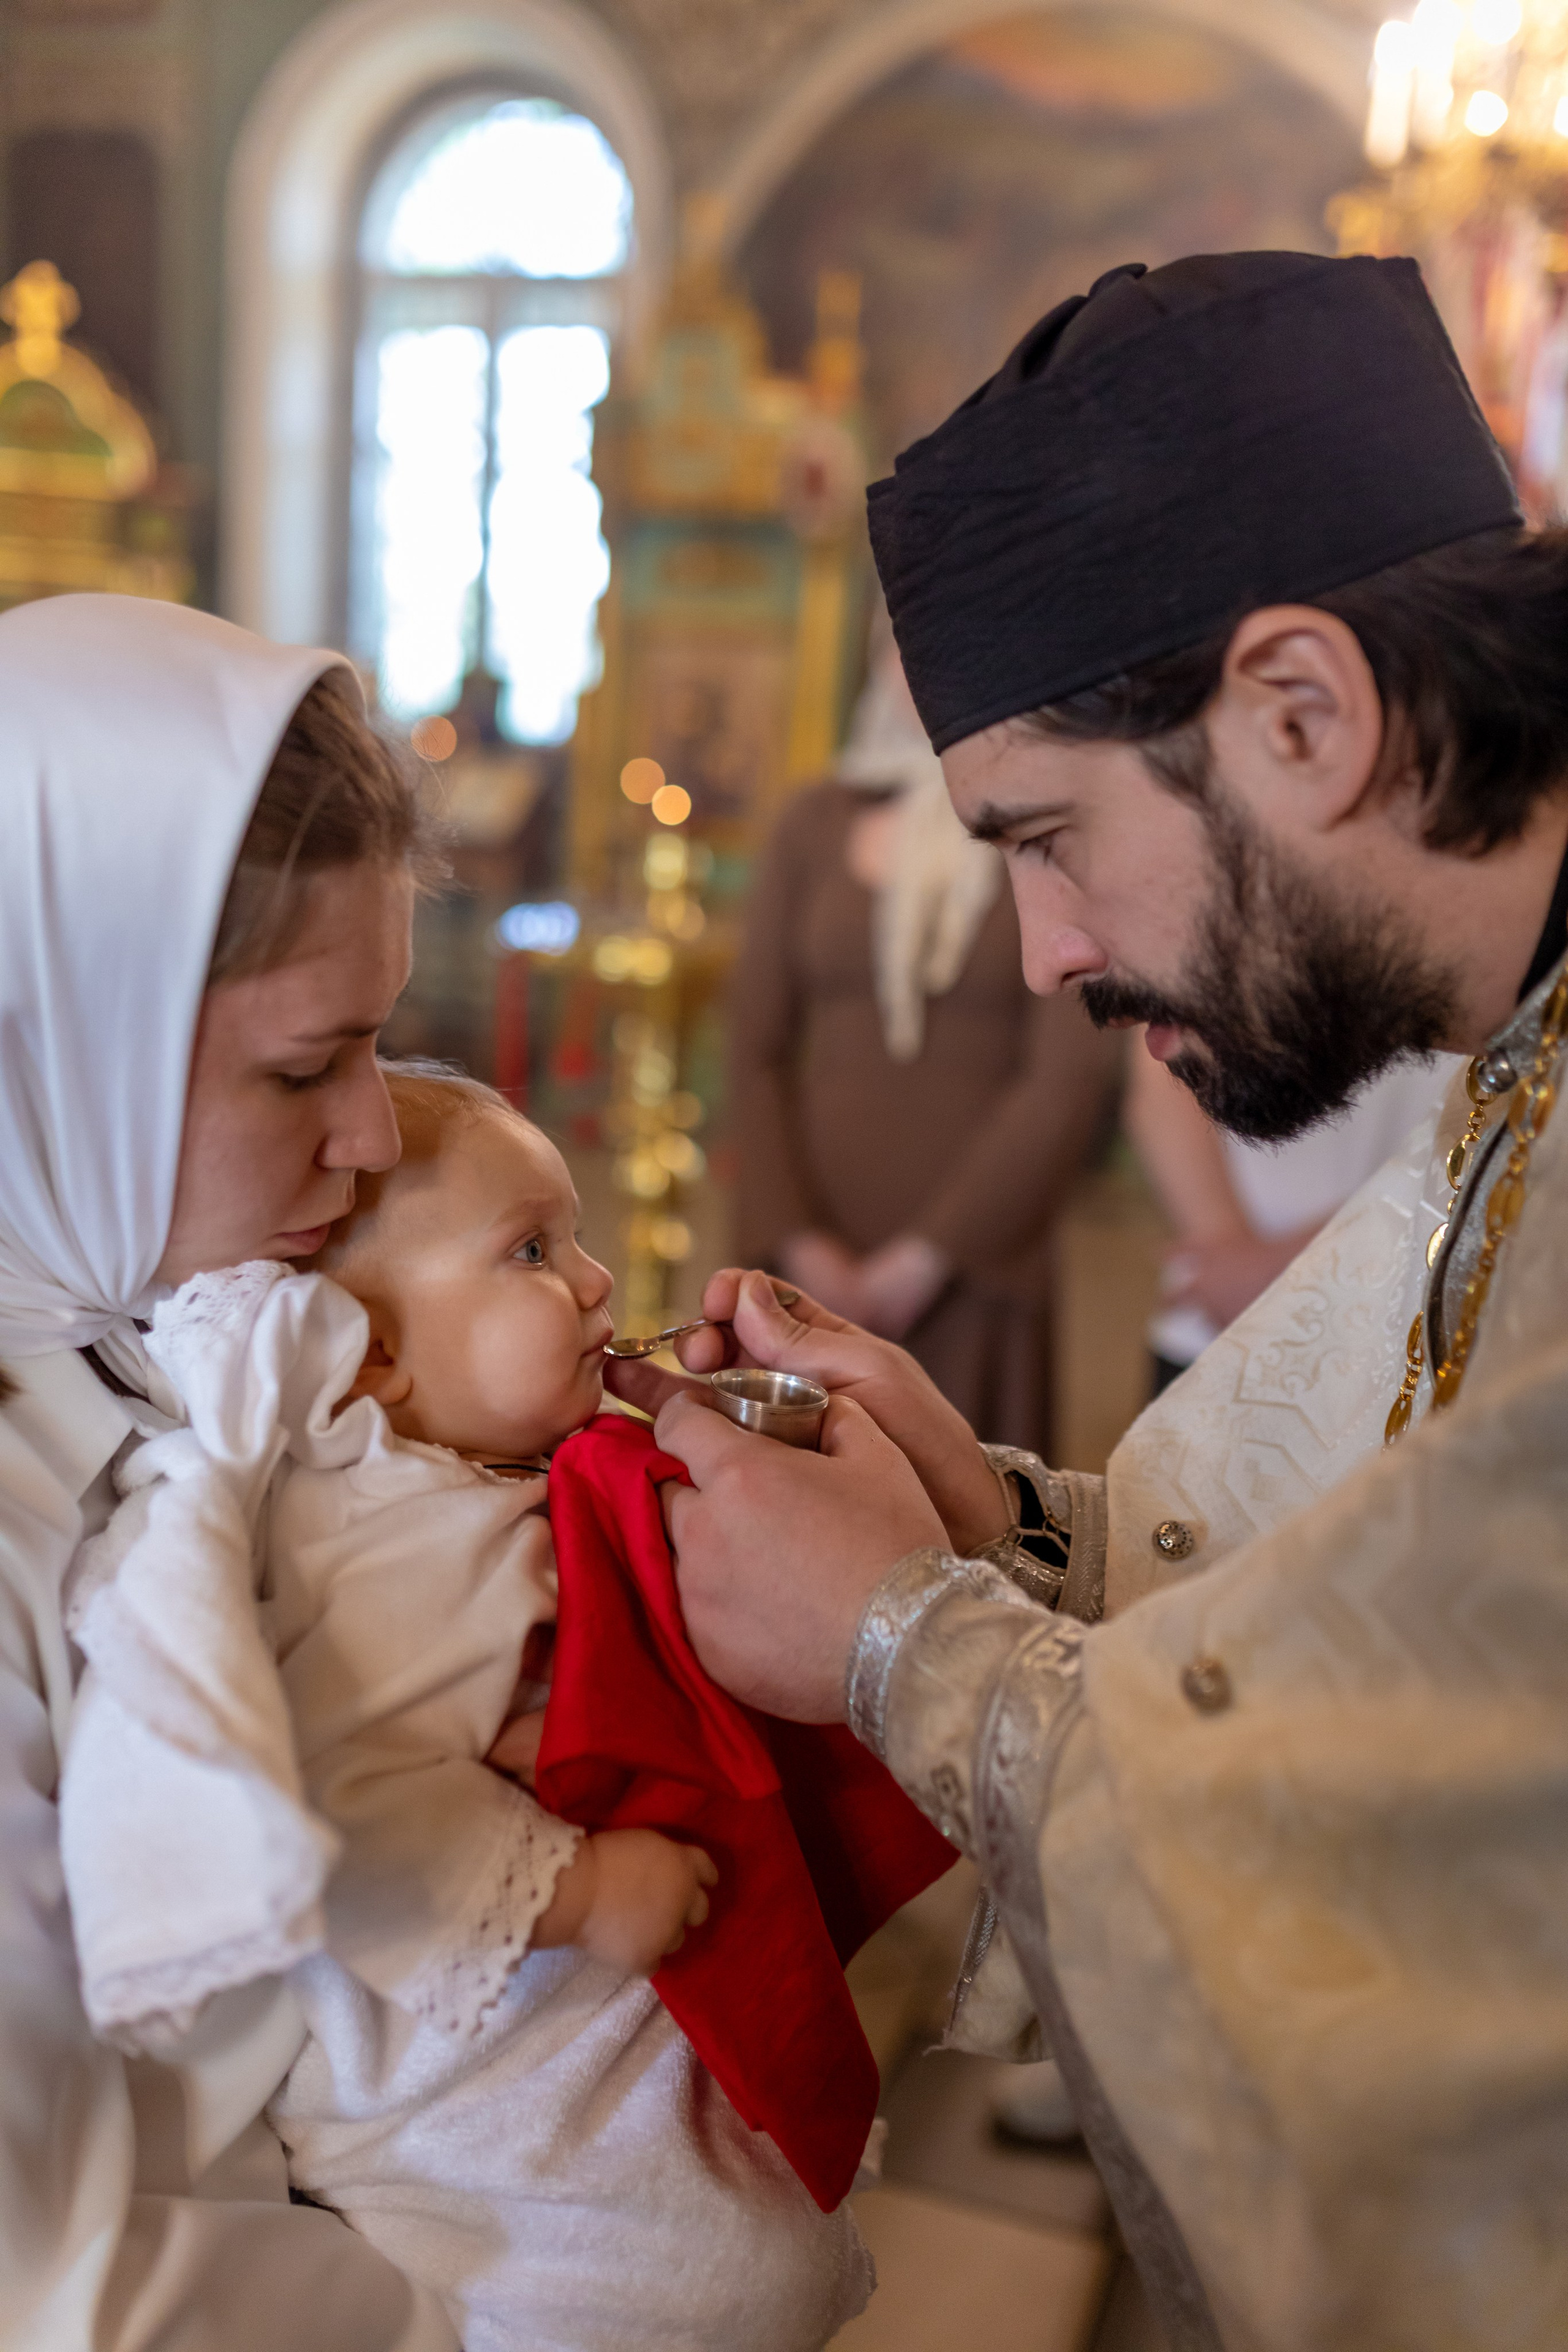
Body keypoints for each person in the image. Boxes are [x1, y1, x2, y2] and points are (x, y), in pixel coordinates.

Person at [605, 253, 1568, 2350]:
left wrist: (897, 1637)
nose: (1043, 950)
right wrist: (990, 1524)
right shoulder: (1522, 1065)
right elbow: (1383, 1595)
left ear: (1303, 711)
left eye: (1050, 836)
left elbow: (1476, 1866)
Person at [58, 1066, 874, 2352]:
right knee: (613, 2265)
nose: (597, 1280)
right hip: (463, 2107)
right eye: (533, 1250)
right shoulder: (376, 1542)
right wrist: (584, 1888)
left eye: (576, 1236)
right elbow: (345, 1805)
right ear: (374, 1355)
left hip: (588, 2065)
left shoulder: (479, 1474)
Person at [0, 592, 461, 2348]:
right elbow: (62, 2293)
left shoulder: (165, 1323)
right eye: (305, 1065)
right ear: (58, 1048)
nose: (376, 1129)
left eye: (379, 1041)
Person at [730, 633, 1118, 1453]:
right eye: (898, 642)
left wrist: (925, 1260)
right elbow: (752, 1051)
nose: (922, 666)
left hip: (977, 1252)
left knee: (961, 1518)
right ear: (873, 660)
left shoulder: (1049, 826)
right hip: (811, 1249)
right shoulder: (813, 821)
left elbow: (1066, 1078)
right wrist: (800, 1242)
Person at [1126, 1041, 1464, 1392]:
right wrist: (1229, 1250)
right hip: (1217, 1314)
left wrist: (1297, 1265)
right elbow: (1164, 1068)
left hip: (1408, 1323)